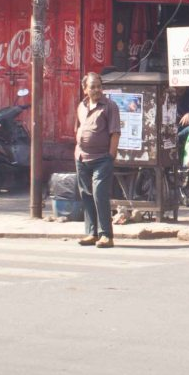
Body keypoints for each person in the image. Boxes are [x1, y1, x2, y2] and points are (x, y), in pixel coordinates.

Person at [74, 72, 120, 248]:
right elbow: (78, 128)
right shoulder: (82, 106)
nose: (97, 90)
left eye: (99, 86)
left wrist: (111, 155)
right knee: (86, 195)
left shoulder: (109, 106)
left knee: (99, 194)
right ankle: (91, 233)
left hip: (102, 158)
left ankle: (106, 234)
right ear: (85, 89)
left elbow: (115, 133)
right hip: (81, 157)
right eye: (92, 87)